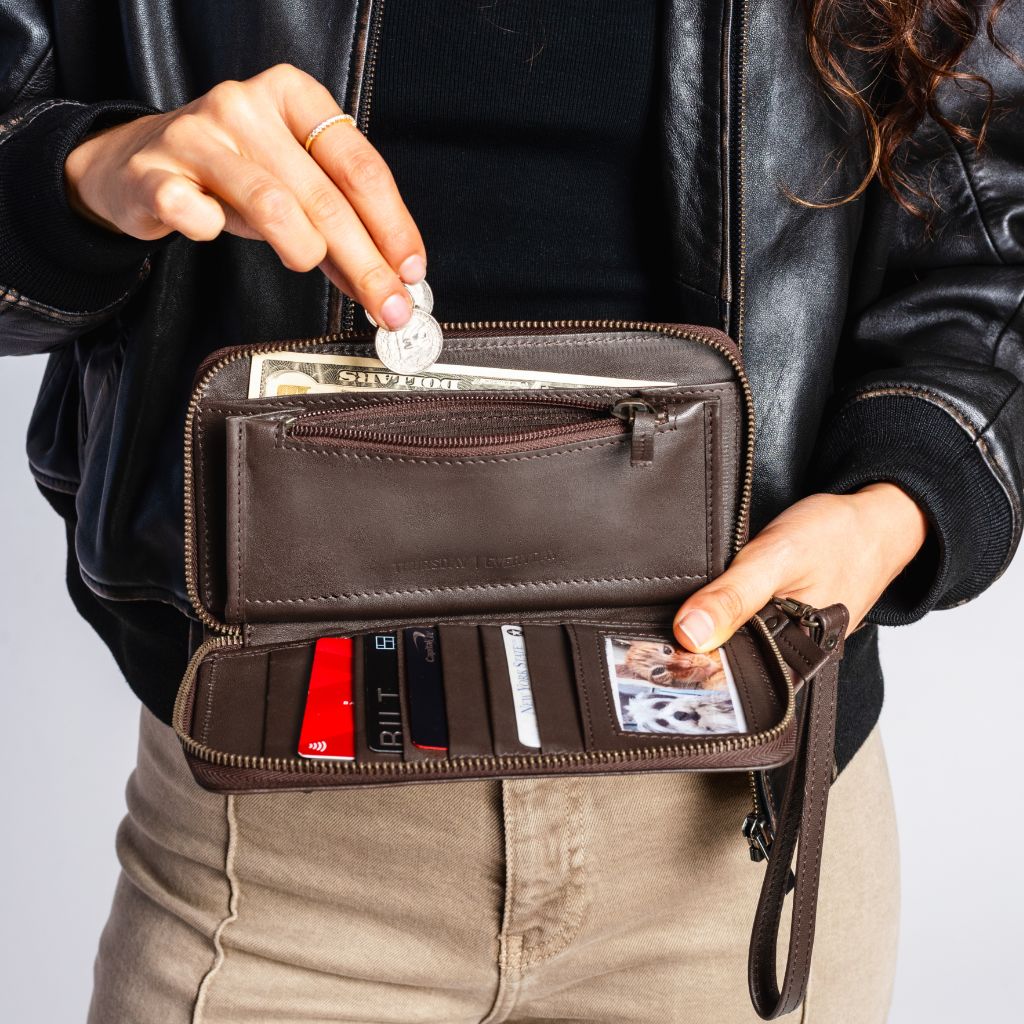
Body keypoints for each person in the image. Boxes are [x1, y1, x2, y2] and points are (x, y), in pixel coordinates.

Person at [1, 1, 1021, 1021]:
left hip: (738, 825)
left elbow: (997, 247)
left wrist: (897, 505)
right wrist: (89, 173)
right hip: (274, 842)